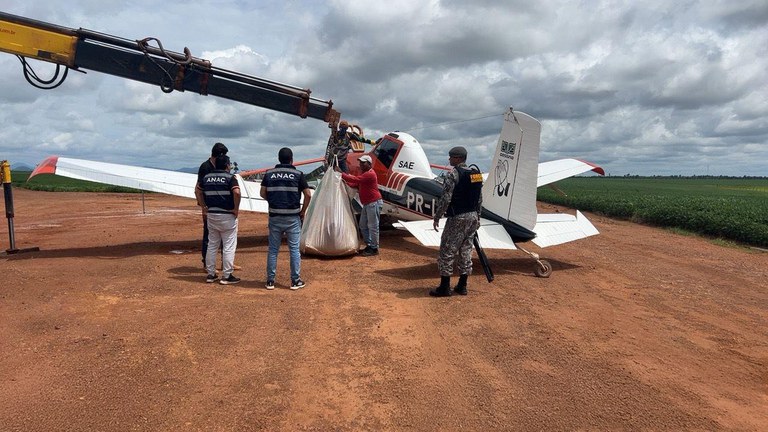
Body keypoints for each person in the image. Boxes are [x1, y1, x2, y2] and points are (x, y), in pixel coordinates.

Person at [430, 146, 483, 297]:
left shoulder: (453, 174)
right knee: (466, 250)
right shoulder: (476, 174)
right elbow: (479, 198)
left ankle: (445, 287)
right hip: (472, 217)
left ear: (458, 158)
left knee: (447, 249)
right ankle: (462, 285)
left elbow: (446, 198)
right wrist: (477, 216)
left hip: (457, 217)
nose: (449, 159)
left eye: (452, 157)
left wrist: (437, 216)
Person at [260, 147, 311, 290]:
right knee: (294, 249)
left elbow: (262, 192)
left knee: (273, 250)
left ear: (279, 159)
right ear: (291, 159)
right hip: (292, 217)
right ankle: (295, 281)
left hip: (275, 216)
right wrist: (303, 211)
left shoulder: (269, 174)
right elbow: (308, 194)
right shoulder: (298, 174)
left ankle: (270, 281)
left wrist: (273, 201)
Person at [195, 142, 241, 272]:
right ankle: (207, 264)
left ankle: (225, 263)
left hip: (217, 208)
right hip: (211, 207)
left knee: (220, 239)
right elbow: (198, 189)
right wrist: (203, 207)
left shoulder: (218, 168)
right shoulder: (205, 167)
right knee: (210, 238)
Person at [337, 154, 383, 256]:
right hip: (368, 203)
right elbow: (355, 184)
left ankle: (374, 248)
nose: (360, 164)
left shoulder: (369, 174)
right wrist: (345, 182)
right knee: (363, 225)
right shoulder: (365, 174)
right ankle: (370, 245)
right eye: (360, 162)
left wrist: (341, 174)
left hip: (373, 203)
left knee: (373, 226)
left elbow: (356, 180)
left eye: (363, 162)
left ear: (369, 164)